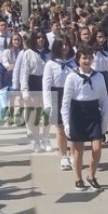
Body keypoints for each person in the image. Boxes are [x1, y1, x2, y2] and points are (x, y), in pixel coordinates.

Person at [61, 47, 108, 191]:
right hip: (77, 113)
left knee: (97, 147)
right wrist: (66, 123)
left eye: (89, 58)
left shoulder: (99, 77)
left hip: (93, 112)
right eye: (84, 58)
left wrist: (104, 120)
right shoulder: (72, 77)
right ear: (78, 59)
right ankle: (78, 178)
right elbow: (66, 102)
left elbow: (104, 99)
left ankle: (91, 175)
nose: (87, 61)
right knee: (78, 150)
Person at [43, 36, 76, 171]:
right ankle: (63, 156)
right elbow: (46, 86)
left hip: (72, 96)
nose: (64, 47)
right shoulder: (50, 64)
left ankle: (74, 155)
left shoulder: (74, 62)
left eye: (67, 44)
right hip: (57, 95)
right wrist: (48, 104)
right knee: (60, 128)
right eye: (61, 45)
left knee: (73, 128)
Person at [19, 29, 51, 153]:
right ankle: (37, 140)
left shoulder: (50, 53)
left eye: (42, 37)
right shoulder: (28, 53)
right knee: (35, 116)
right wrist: (25, 91)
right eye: (37, 37)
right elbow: (24, 72)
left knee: (47, 114)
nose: (40, 40)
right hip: (34, 84)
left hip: (47, 85)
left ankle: (46, 138)